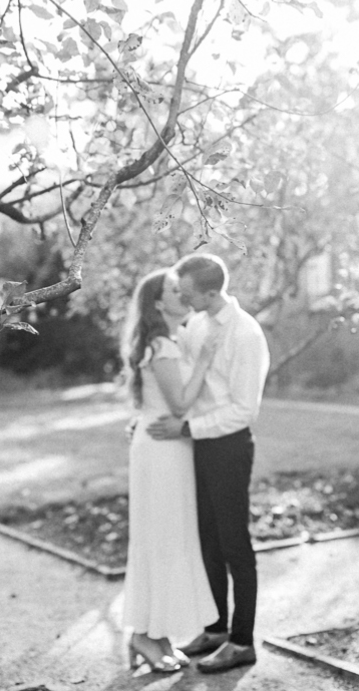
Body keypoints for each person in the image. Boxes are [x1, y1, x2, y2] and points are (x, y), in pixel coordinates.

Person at [147, 252, 270, 675]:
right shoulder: (196, 324)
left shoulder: (247, 334)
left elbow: (243, 411)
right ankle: (216, 628)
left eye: (186, 292)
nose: (180, 298)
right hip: (198, 445)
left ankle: (241, 641)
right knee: (207, 541)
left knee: (235, 543)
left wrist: (187, 429)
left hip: (230, 447)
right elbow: (179, 383)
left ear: (212, 292)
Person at [120, 269, 220, 673]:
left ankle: (154, 634)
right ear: (158, 303)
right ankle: (144, 635)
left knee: (163, 539)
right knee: (159, 540)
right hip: (162, 450)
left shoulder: (169, 339)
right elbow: (179, 405)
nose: (183, 294)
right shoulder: (161, 343)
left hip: (167, 447)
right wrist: (206, 361)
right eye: (173, 291)